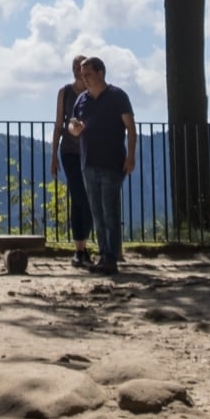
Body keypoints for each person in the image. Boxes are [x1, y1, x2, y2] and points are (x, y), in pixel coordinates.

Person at [68, 56, 136, 277]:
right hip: (88, 163)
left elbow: (130, 127)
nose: (83, 78)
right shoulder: (81, 100)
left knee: (110, 212)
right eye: (81, 74)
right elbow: (72, 124)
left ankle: (110, 257)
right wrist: (74, 129)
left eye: (87, 73)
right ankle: (104, 254)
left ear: (100, 73)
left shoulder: (117, 96)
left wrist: (131, 156)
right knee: (97, 212)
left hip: (112, 162)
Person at [51, 56, 95, 269]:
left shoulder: (93, 94)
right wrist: (53, 156)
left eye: (81, 68)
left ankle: (84, 245)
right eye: (75, 68)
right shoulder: (65, 92)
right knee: (79, 197)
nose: (78, 71)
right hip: (69, 151)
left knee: (90, 199)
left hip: (90, 152)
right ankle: (80, 248)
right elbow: (59, 124)